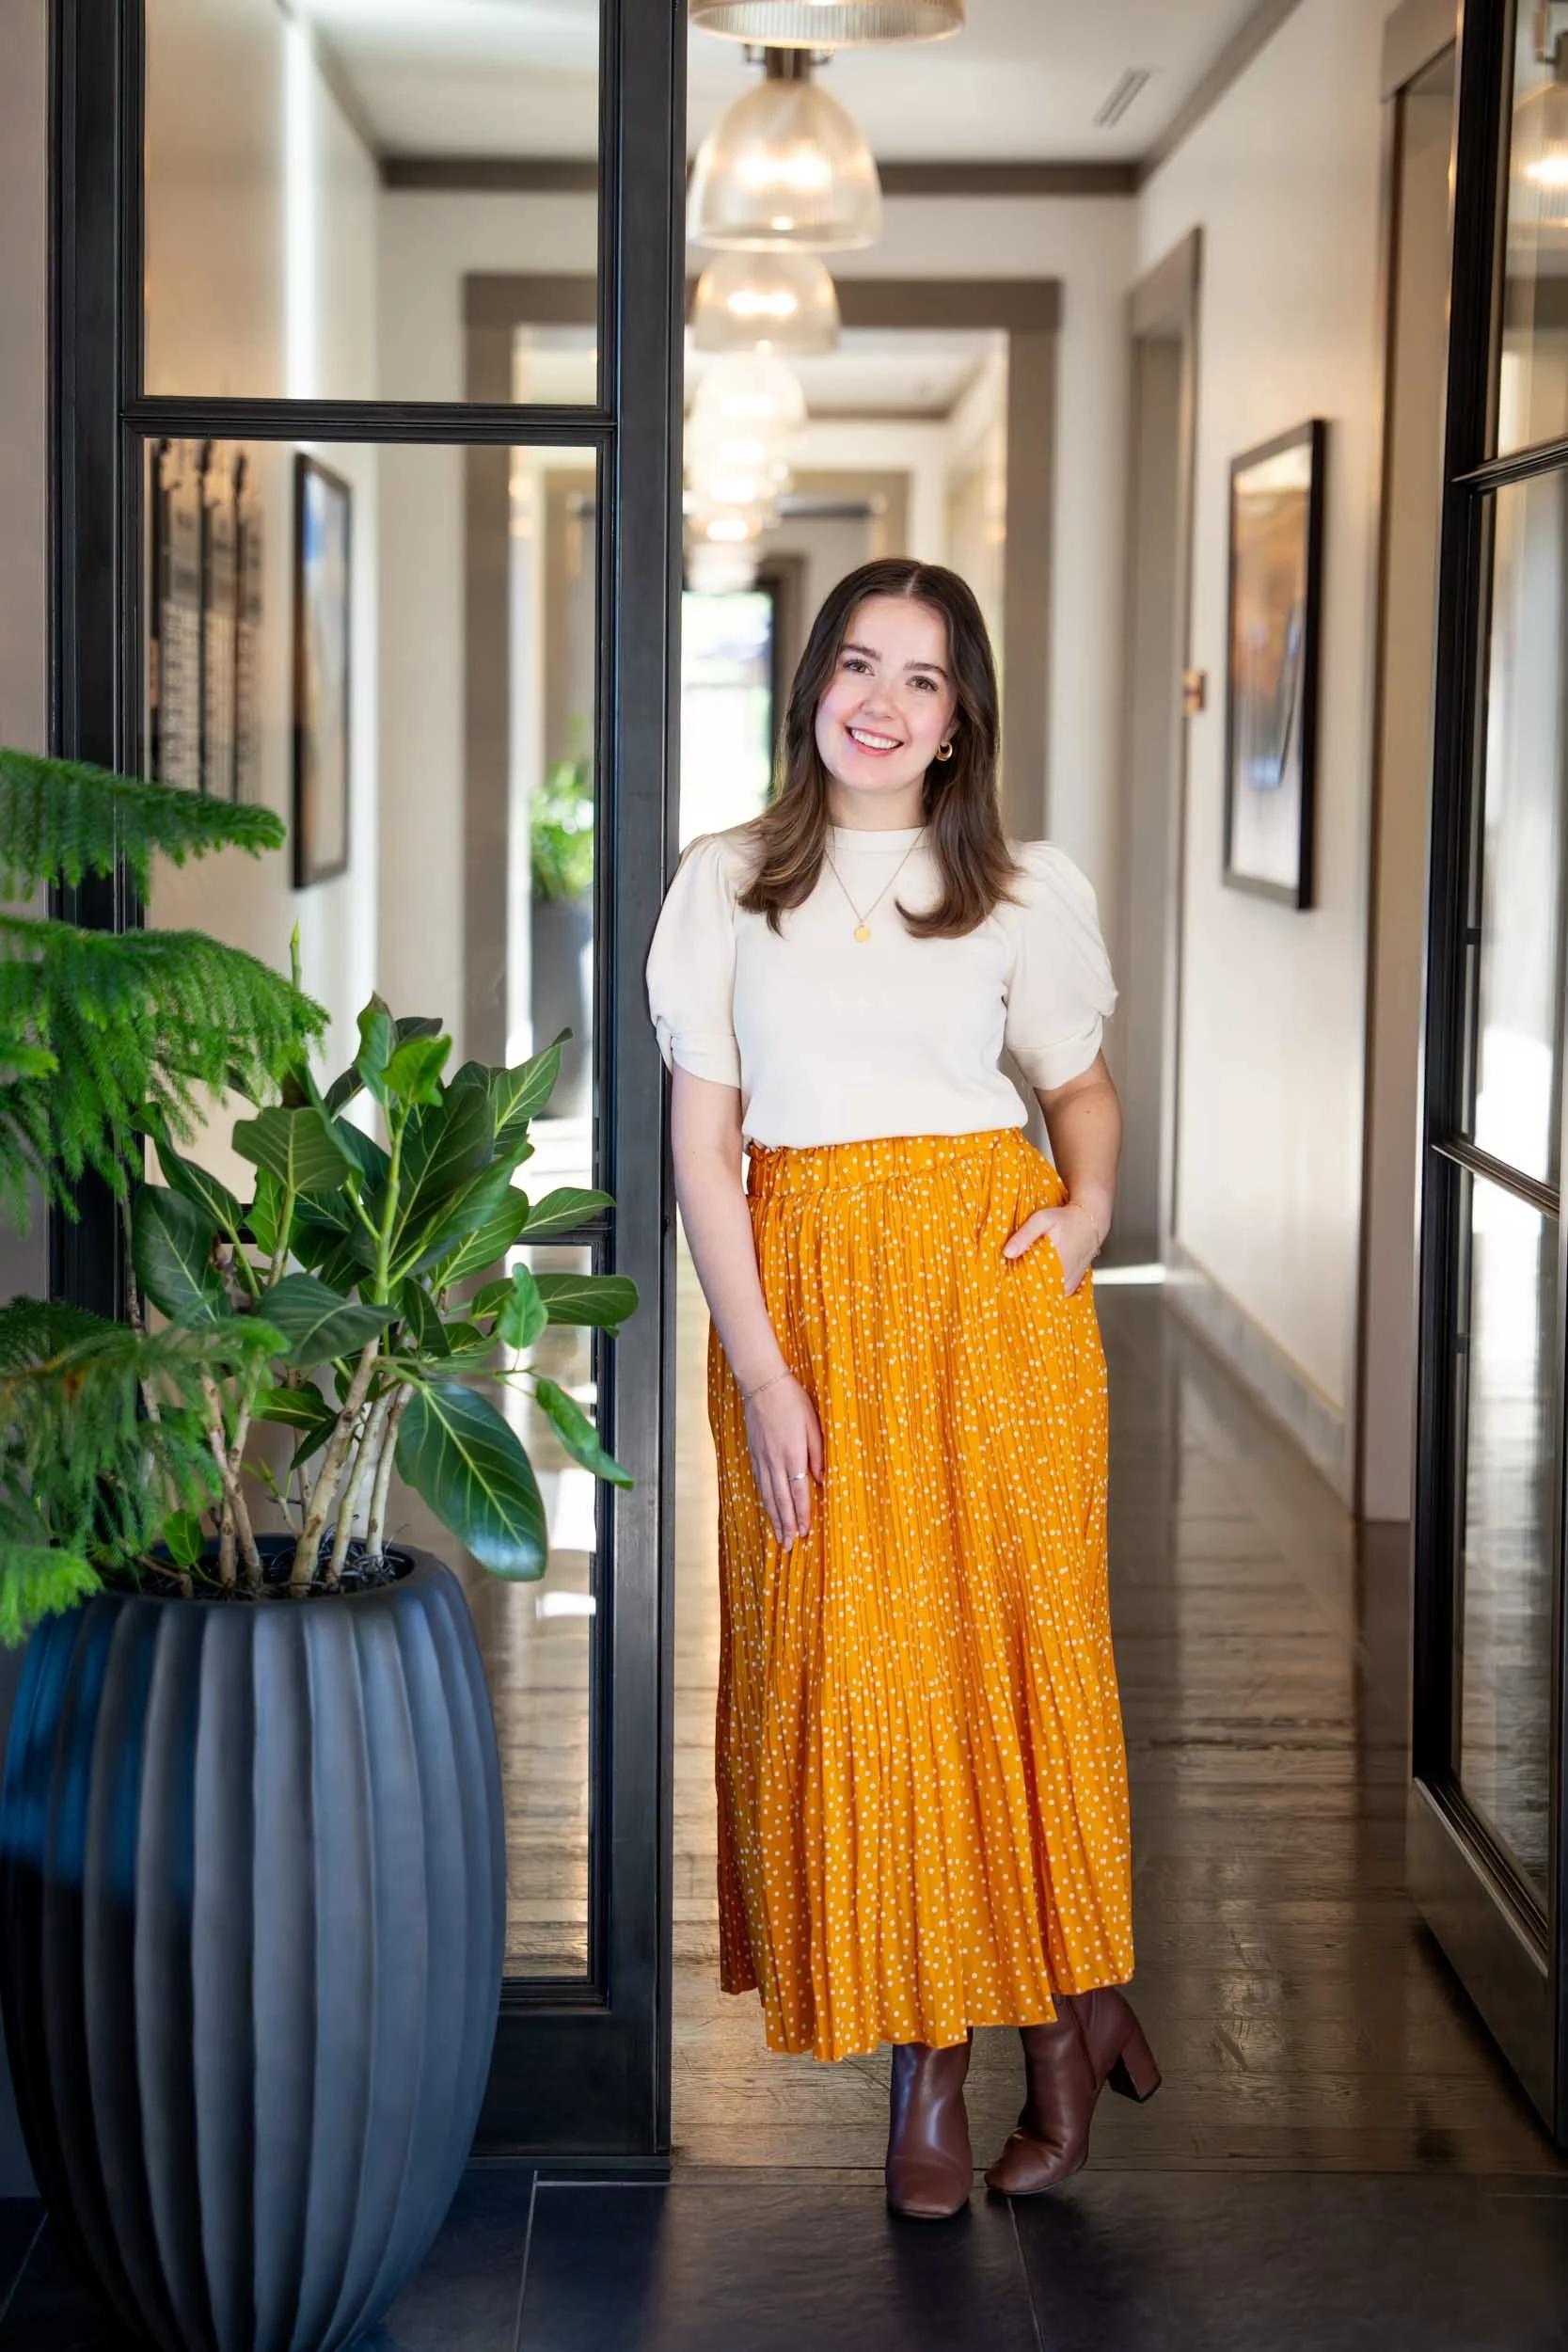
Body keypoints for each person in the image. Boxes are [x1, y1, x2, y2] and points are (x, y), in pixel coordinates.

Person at [644, 556, 1158, 2220]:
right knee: (854, 1678)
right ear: (809, 689)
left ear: (959, 720)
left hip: (983, 1310)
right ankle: (1056, 2014)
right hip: (798, 1306)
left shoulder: (1020, 885)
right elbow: (701, 1156)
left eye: (920, 679)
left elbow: (1076, 1089)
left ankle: (972, 2064)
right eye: (854, 666)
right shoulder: (723, 880)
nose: (879, 702)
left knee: (1008, 1676)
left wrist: (1082, 1217)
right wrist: (761, 1369)